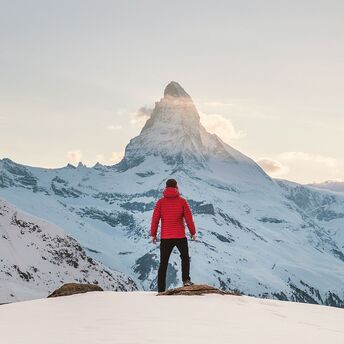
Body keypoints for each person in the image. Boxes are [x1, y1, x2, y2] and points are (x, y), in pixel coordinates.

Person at [150, 178, 196, 292]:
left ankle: (161, 289)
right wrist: (193, 232)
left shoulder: (160, 202)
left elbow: (155, 219)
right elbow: (189, 218)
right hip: (180, 236)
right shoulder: (182, 201)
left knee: (163, 263)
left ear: (165, 187)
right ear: (176, 187)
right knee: (184, 257)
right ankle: (186, 280)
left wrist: (153, 234)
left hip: (166, 238)